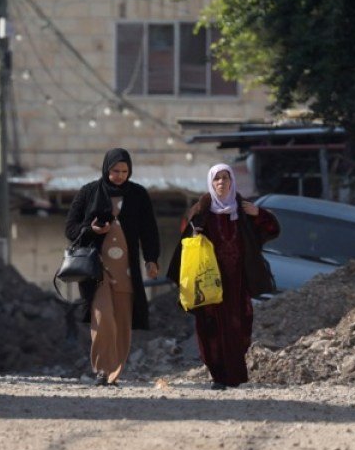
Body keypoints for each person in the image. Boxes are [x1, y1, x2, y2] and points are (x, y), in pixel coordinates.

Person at [166, 163, 280, 390]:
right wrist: (194, 233)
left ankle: (235, 375)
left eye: (225, 178)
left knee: (240, 326)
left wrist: (260, 214)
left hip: (238, 282)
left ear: (231, 182)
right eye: (216, 179)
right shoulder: (202, 211)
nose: (221, 183)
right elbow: (185, 245)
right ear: (211, 182)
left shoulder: (243, 210)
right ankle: (218, 376)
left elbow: (272, 231)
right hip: (208, 281)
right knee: (211, 328)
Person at [65, 148, 161, 386]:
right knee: (102, 317)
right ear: (106, 169)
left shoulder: (138, 194)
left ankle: (115, 372)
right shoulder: (89, 192)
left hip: (126, 270)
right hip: (95, 269)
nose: (119, 175)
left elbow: (149, 230)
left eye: (124, 171)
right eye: (115, 171)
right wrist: (91, 230)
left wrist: (151, 259)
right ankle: (102, 370)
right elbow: (70, 228)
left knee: (122, 320)